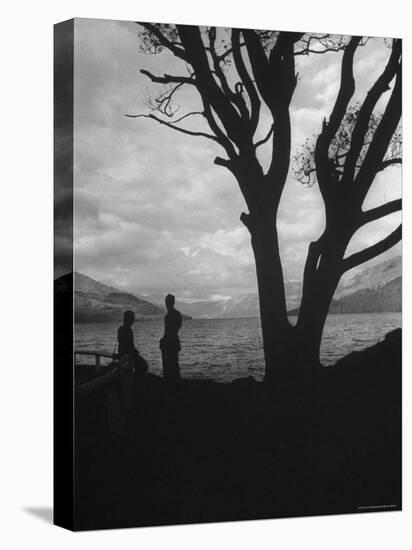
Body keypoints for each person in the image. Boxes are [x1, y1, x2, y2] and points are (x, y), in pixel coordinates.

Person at [159, 294, 182, 383]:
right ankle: (175, 383)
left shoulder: (169, 316)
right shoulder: (177, 315)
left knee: (169, 366)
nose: (166, 303)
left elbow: (169, 332)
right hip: (174, 342)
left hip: (169, 343)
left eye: (167, 301)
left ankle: (170, 384)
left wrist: (163, 341)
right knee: (174, 365)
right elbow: (175, 330)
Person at [117, 310, 148, 376]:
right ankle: (139, 381)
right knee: (144, 364)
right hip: (127, 355)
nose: (133, 320)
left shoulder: (121, 329)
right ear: (128, 319)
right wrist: (136, 353)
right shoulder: (128, 330)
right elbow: (129, 347)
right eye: (132, 318)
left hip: (122, 353)